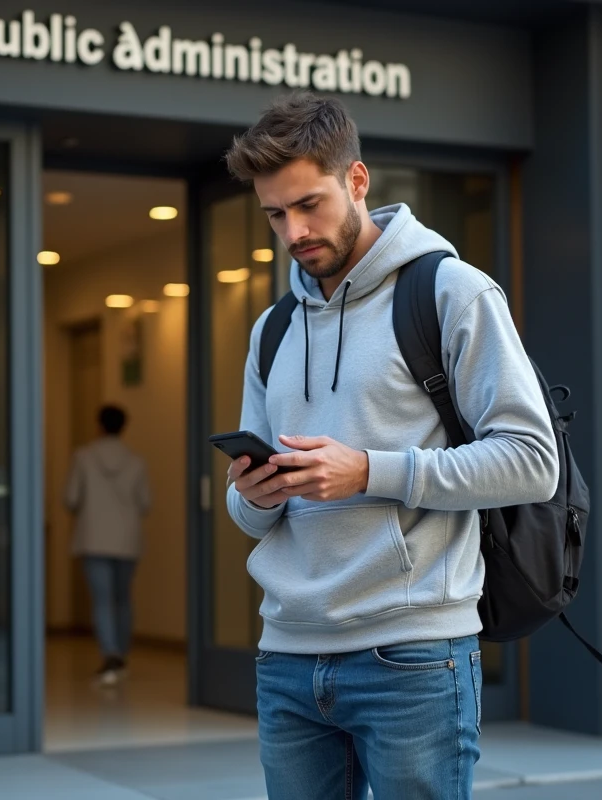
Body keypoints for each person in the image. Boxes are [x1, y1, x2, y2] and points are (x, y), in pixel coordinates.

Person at [222, 92, 559, 799]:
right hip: (286, 657)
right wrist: (254, 497)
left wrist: (368, 471)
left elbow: (532, 460)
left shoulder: (450, 292)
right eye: (276, 214)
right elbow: (248, 513)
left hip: (411, 656)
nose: (294, 230)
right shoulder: (273, 330)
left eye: (309, 204)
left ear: (357, 180)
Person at [64, 405, 151, 685]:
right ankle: (121, 656)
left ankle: (110, 654)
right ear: (123, 427)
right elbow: (146, 503)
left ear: (99, 425)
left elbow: (71, 498)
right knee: (123, 598)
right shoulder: (136, 462)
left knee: (102, 600)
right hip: (127, 540)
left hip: (94, 538)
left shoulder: (83, 457)